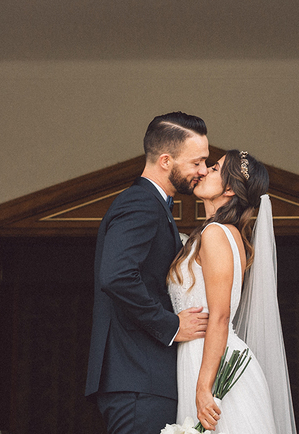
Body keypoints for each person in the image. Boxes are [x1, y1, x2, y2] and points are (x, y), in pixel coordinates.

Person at [86, 113, 213, 434]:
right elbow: (116, 276)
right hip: (137, 379)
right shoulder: (140, 204)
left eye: (205, 162)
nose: (203, 171)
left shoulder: (154, 205)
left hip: (142, 378)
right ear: (166, 160)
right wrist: (171, 325)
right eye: (197, 162)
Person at [168, 149, 297, 434]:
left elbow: (221, 315)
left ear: (229, 188)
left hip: (215, 367)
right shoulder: (220, 233)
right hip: (203, 358)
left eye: (214, 168)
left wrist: (204, 388)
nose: (204, 171)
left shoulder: (217, 234)